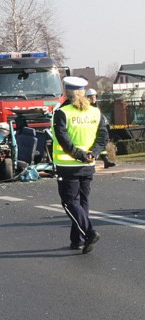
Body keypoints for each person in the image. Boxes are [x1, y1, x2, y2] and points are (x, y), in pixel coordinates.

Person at [52, 77, 109, 254]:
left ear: (67, 93)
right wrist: (94, 153)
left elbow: (63, 140)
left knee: (70, 202)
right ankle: (77, 239)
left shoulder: (62, 113)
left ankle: (89, 233)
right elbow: (103, 137)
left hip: (68, 165)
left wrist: (79, 155)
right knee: (82, 202)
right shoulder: (95, 113)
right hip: (88, 165)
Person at [85, 88, 116, 168]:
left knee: (101, 143)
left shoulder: (96, 107)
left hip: (97, 128)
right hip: (90, 130)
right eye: (91, 97)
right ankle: (91, 161)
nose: (93, 98)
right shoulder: (86, 107)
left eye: (94, 97)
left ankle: (106, 161)